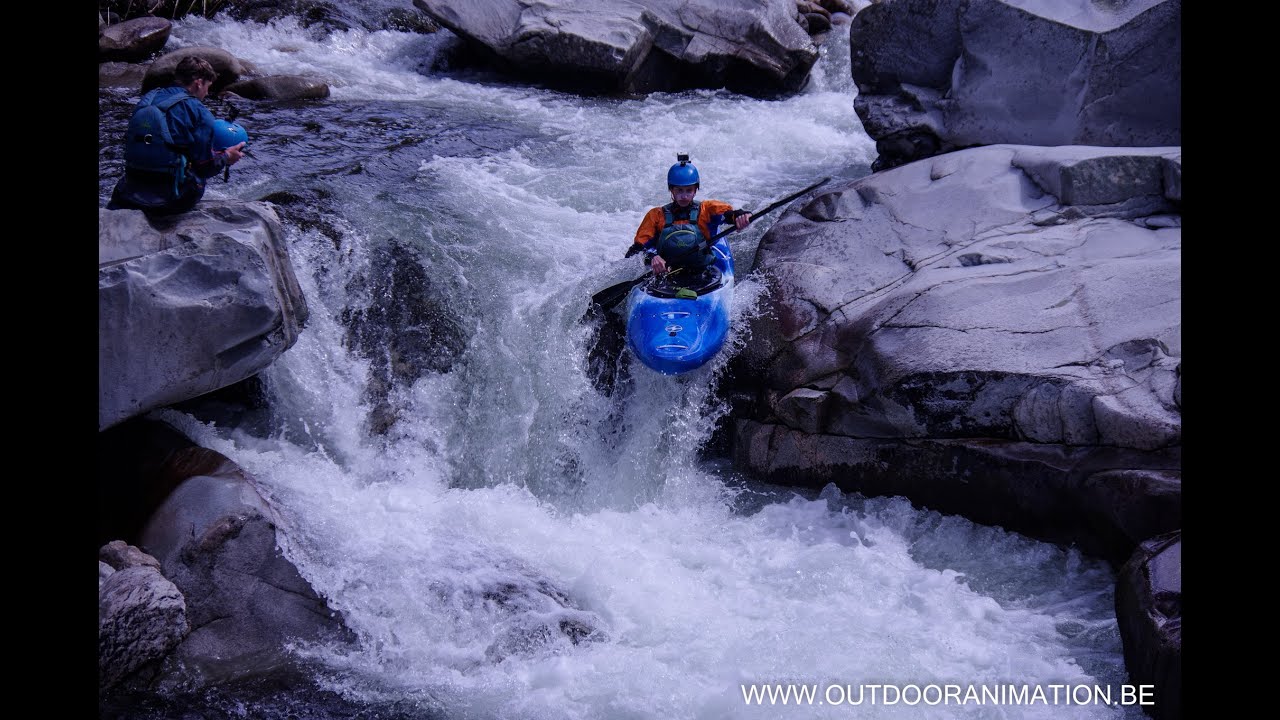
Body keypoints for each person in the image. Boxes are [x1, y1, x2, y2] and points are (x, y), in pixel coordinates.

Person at [107, 56, 246, 216]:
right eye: (208, 86)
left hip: (127, 192)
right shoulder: (199, 112)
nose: (207, 92)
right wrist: (226, 157)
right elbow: (204, 167)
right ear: (198, 83)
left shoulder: (148, 98)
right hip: (170, 200)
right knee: (196, 176)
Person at [624, 154, 751, 277]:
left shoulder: (706, 210)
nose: (684, 196)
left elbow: (730, 215)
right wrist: (652, 258)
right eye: (679, 190)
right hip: (667, 274)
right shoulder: (655, 216)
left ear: (695, 190)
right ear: (671, 190)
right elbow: (635, 252)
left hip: (703, 272)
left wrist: (741, 217)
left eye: (689, 190)